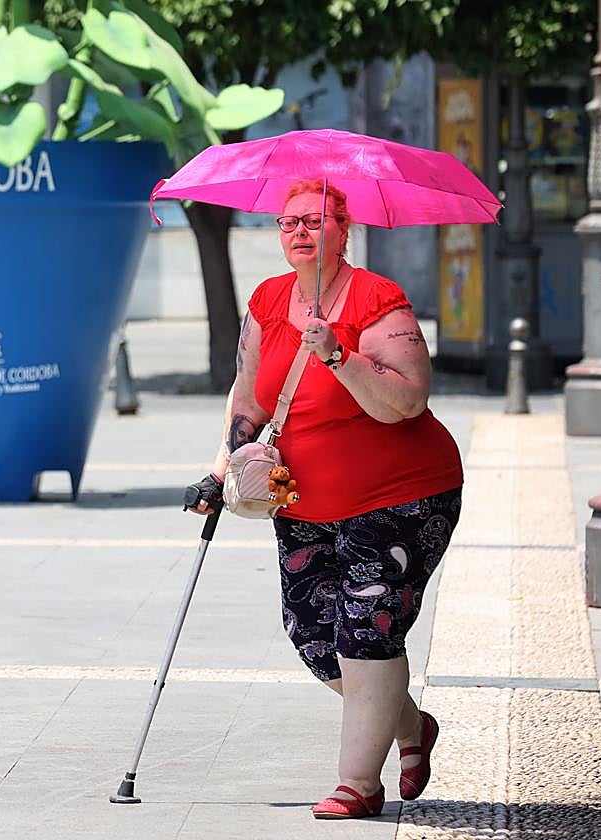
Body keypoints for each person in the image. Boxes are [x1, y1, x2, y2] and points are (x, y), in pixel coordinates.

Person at [185, 179, 462, 820]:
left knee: (366, 632)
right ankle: (412, 726)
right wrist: (219, 474)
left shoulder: (377, 300)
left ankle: (358, 783)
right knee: (313, 635)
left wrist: (338, 353)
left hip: (400, 496)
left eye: (314, 221)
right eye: (289, 223)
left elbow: (407, 401)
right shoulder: (267, 300)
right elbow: (248, 397)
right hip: (303, 501)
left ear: (343, 231)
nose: (300, 232)